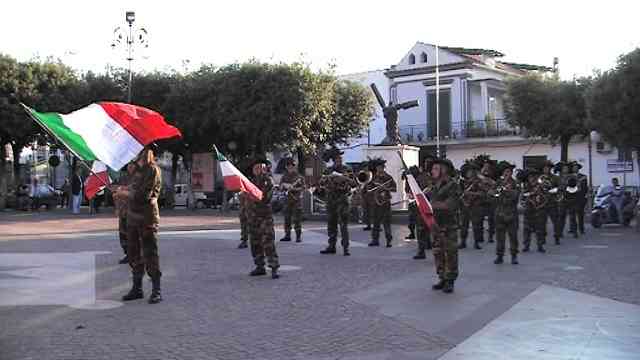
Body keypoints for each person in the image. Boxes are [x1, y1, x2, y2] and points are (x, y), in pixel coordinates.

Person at [122, 146, 164, 304]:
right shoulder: (136, 170)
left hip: (147, 218)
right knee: (134, 253)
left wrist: (125, 193)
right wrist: (122, 189)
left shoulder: (152, 170)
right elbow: (132, 189)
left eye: (140, 151)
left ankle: (156, 290)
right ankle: (137, 288)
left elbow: (143, 195)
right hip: (133, 218)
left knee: (150, 253)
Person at [428, 158, 460, 294]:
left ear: (444, 169)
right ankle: (442, 277)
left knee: (450, 253)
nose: (432, 171)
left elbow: (449, 205)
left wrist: (430, 206)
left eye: (435, 168)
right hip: (436, 224)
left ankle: (450, 280)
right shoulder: (434, 186)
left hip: (449, 225)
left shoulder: (453, 185)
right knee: (438, 252)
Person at [318, 148, 357, 256]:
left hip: (343, 199)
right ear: (333, 160)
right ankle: (331, 246)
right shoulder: (328, 170)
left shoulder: (347, 169)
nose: (339, 160)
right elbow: (321, 183)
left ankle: (346, 248)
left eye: (340, 158)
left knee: (343, 224)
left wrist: (345, 179)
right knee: (331, 223)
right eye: (337, 159)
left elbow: (354, 183)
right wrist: (328, 177)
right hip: (331, 199)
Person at [246, 158, 280, 279]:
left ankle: (274, 266)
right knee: (255, 242)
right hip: (253, 217)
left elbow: (264, 198)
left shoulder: (267, 180)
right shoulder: (251, 181)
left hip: (264, 217)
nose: (257, 170)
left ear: (264, 168)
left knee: (268, 242)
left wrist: (250, 194)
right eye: (255, 168)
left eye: (259, 167)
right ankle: (259, 266)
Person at [491, 161, 520, 265]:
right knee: (500, 237)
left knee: (513, 237)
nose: (507, 173)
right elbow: (492, 194)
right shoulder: (498, 182)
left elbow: (515, 196)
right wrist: (495, 192)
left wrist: (506, 191)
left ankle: (514, 256)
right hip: (499, 213)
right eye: (505, 171)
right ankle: (499, 256)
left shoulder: (515, 183)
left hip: (511, 213)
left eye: (509, 171)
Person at [368, 159, 397, 248]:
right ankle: (375, 240)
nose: (379, 169)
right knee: (375, 222)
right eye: (378, 167)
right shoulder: (373, 178)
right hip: (376, 202)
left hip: (385, 202)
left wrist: (386, 188)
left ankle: (388, 241)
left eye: (381, 167)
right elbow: (368, 189)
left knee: (386, 222)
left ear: (384, 168)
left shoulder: (388, 177)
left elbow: (394, 189)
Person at [112, 163, 136, 264]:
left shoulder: (139, 177)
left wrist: (122, 190)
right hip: (123, 210)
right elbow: (116, 193)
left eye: (132, 165)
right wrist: (117, 208)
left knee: (133, 234)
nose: (130, 167)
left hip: (134, 211)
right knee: (123, 234)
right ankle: (128, 254)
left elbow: (136, 191)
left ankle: (135, 255)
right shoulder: (123, 177)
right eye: (129, 165)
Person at [412, 156, 435, 259]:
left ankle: (434, 248)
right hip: (423, 205)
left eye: (429, 163)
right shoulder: (421, 177)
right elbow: (415, 189)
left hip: (436, 206)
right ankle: (421, 251)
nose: (427, 165)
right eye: (426, 163)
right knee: (421, 228)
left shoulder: (438, 176)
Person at [279, 158, 306, 243]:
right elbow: (281, 187)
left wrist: (293, 188)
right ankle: (287, 235)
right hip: (287, 200)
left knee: (297, 219)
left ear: (294, 167)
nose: (290, 167)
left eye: (292, 166)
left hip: (296, 200)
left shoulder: (299, 177)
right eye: (289, 166)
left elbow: (303, 188)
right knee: (287, 218)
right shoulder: (284, 176)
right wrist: (283, 186)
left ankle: (298, 236)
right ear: (286, 167)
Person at [521, 169, 547, 253]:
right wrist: (531, 193)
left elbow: (546, 197)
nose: (532, 178)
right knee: (527, 229)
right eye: (530, 177)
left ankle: (540, 246)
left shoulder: (541, 186)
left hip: (538, 210)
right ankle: (526, 245)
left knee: (539, 229)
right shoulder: (525, 186)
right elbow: (523, 196)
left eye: (534, 177)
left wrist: (540, 191)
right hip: (528, 210)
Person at [458, 161, 480, 250]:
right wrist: (464, 202)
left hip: (475, 206)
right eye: (468, 171)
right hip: (464, 207)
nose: (470, 173)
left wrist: (472, 193)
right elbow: (459, 194)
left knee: (476, 225)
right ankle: (463, 242)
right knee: (464, 225)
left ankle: (476, 242)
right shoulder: (462, 183)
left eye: (472, 171)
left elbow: (481, 193)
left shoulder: (477, 182)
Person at [540, 160, 562, 245]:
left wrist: (550, 189)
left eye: (548, 168)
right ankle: (542, 238)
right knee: (542, 222)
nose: (546, 169)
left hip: (552, 202)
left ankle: (557, 237)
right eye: (545, 168)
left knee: (555, 221)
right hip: (542, 202)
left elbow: (559, 188)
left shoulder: (555, 178)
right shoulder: (540, 178)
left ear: (550, 169)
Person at [570, 161, 589, 235]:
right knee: (572, 214)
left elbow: (585, 187)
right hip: (571, 197)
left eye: (576, 167)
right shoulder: (569, 176)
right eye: (574, 167)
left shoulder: (583, 177)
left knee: (580, 214)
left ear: (578, 168)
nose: (575, 168)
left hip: (580, 197)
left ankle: (581, 229)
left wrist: (585, 195)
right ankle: (573, 229)